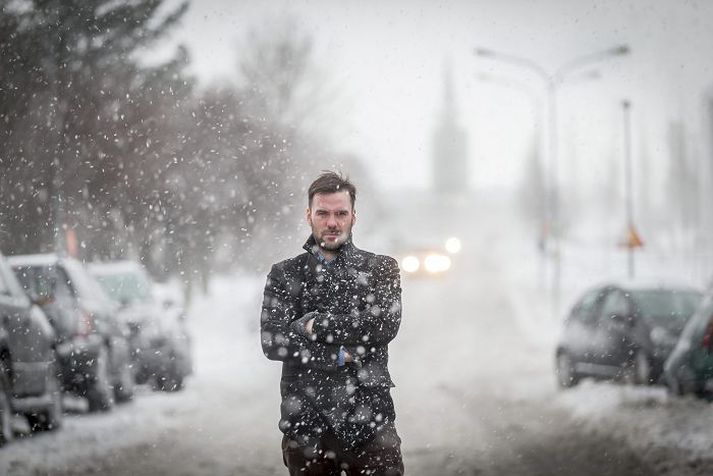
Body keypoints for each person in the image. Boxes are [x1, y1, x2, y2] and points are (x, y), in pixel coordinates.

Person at [261, 171, 404, 476]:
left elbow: (382, 326)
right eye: (323, 213)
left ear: (354, 216)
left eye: (341, 213)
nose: (332, 222)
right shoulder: (285, 274)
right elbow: (273, 342)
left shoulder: (381, 269)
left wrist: (315, 325)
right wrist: (338, 355)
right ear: (308, 214)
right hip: (307, 425)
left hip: (371, 422)